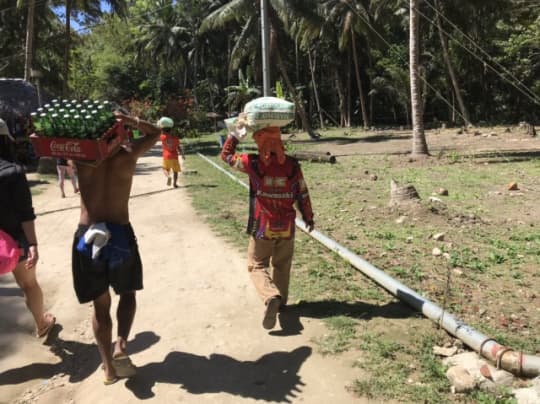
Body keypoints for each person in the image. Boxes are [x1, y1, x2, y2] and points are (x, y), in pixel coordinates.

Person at [71, 111, 160, 385]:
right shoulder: (128, 154)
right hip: (119, 234)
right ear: (119, 131)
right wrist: (132, 120)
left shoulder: (81, 157)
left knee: (100, 307)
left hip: (88, 236)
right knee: (128, 294)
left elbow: (53, 141)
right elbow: (156, 132)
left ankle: (108, 368)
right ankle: (121, 344)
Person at [220, 122, 315, 330]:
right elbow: (302, 192)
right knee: (282, 265)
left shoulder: (252, 163)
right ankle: (280, 303)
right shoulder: (292, 165)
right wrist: (308, 217)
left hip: (263, 226)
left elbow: (226, 156)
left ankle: (270, 296)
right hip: (287, 227)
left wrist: (235, 135)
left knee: (257, 264)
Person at [0, 118, 56, 340]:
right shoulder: (13, 172)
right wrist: (33, 243)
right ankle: (42, 324)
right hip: (15, 241)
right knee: (28, 284)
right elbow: (25, 213)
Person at [158, 117, 185, 188]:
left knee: (165, 169)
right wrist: (182, 154)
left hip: (166, 156)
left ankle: (168, 176)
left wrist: (160, 127)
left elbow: (159, 132)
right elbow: (179, 147)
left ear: (163, 130)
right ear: (171, 129)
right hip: (175, 157)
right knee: (175, 171)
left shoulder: (162, 137)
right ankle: (175, 184)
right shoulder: (175, 137)